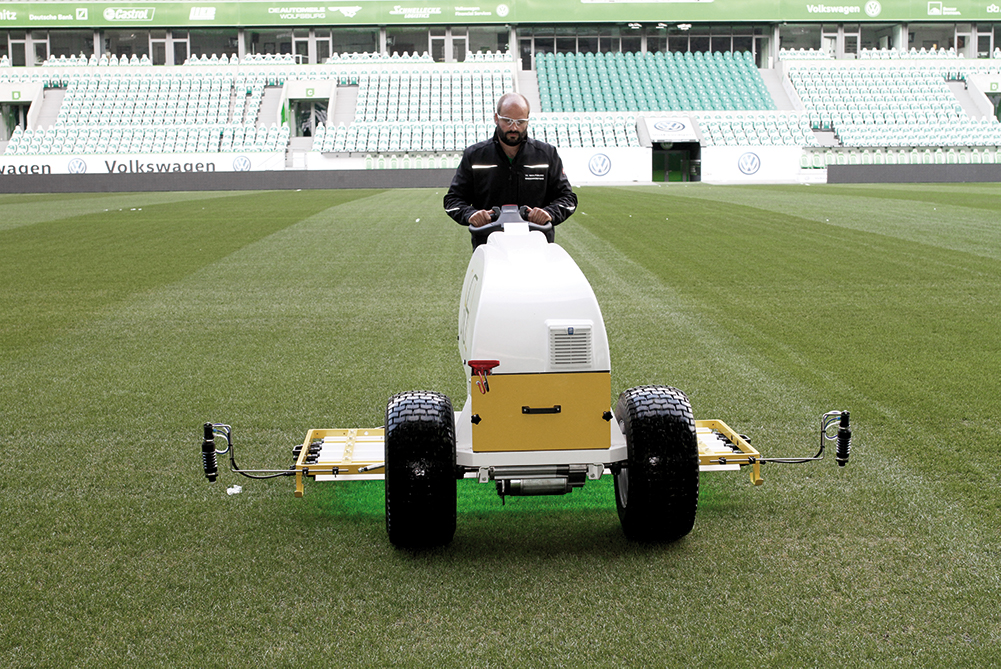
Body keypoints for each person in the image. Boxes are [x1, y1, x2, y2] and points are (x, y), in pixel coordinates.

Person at [443, 92, 577, 244]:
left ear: (528, 121)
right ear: (496, 118)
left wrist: (548, 213)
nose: (514, 127)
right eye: (507, 120)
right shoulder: (475, 155)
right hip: (489, 246)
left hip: (537, 245)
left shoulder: (546, 154)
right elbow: (452, 201)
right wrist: (471, 215)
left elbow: (568, 199)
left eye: (520, 122)